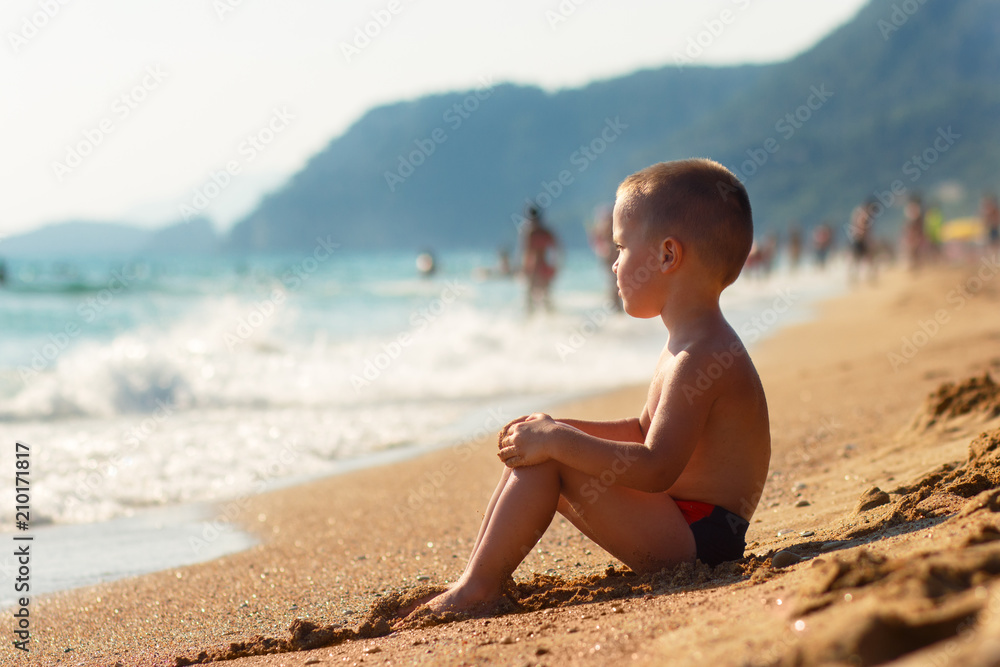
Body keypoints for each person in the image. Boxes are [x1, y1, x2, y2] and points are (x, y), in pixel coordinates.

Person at [401, 159, 770, 618]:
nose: (613, 264)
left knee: (550, 456)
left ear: (667, 256)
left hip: (701, 539)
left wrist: (559, 441)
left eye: (619, 248)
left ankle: (478, 586)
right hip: (691, 523)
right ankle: (476, 577)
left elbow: (656, 467)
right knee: (544, 446)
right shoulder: (692, 343)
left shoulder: (700, 359)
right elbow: (642, 429)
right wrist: (559, 427)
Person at [520, 206, 559, 314]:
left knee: (532, 295)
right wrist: (555, 265)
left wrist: (523, 268)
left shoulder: (530, 233)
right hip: (542, 266)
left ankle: (533, 318)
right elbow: (557, 249)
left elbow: (525, 252)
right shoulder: (545, 232)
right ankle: (550, 316)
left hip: (535, 268)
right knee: (544, 294)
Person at [847, 198, 877, 285]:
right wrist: (868, 241)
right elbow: (864, 229)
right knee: (863, 260)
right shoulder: (864, 215)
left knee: (857, 261)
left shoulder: (858, 212)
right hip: (860, 241)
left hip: (857, 240)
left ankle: (854, 278)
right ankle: (865, 278)